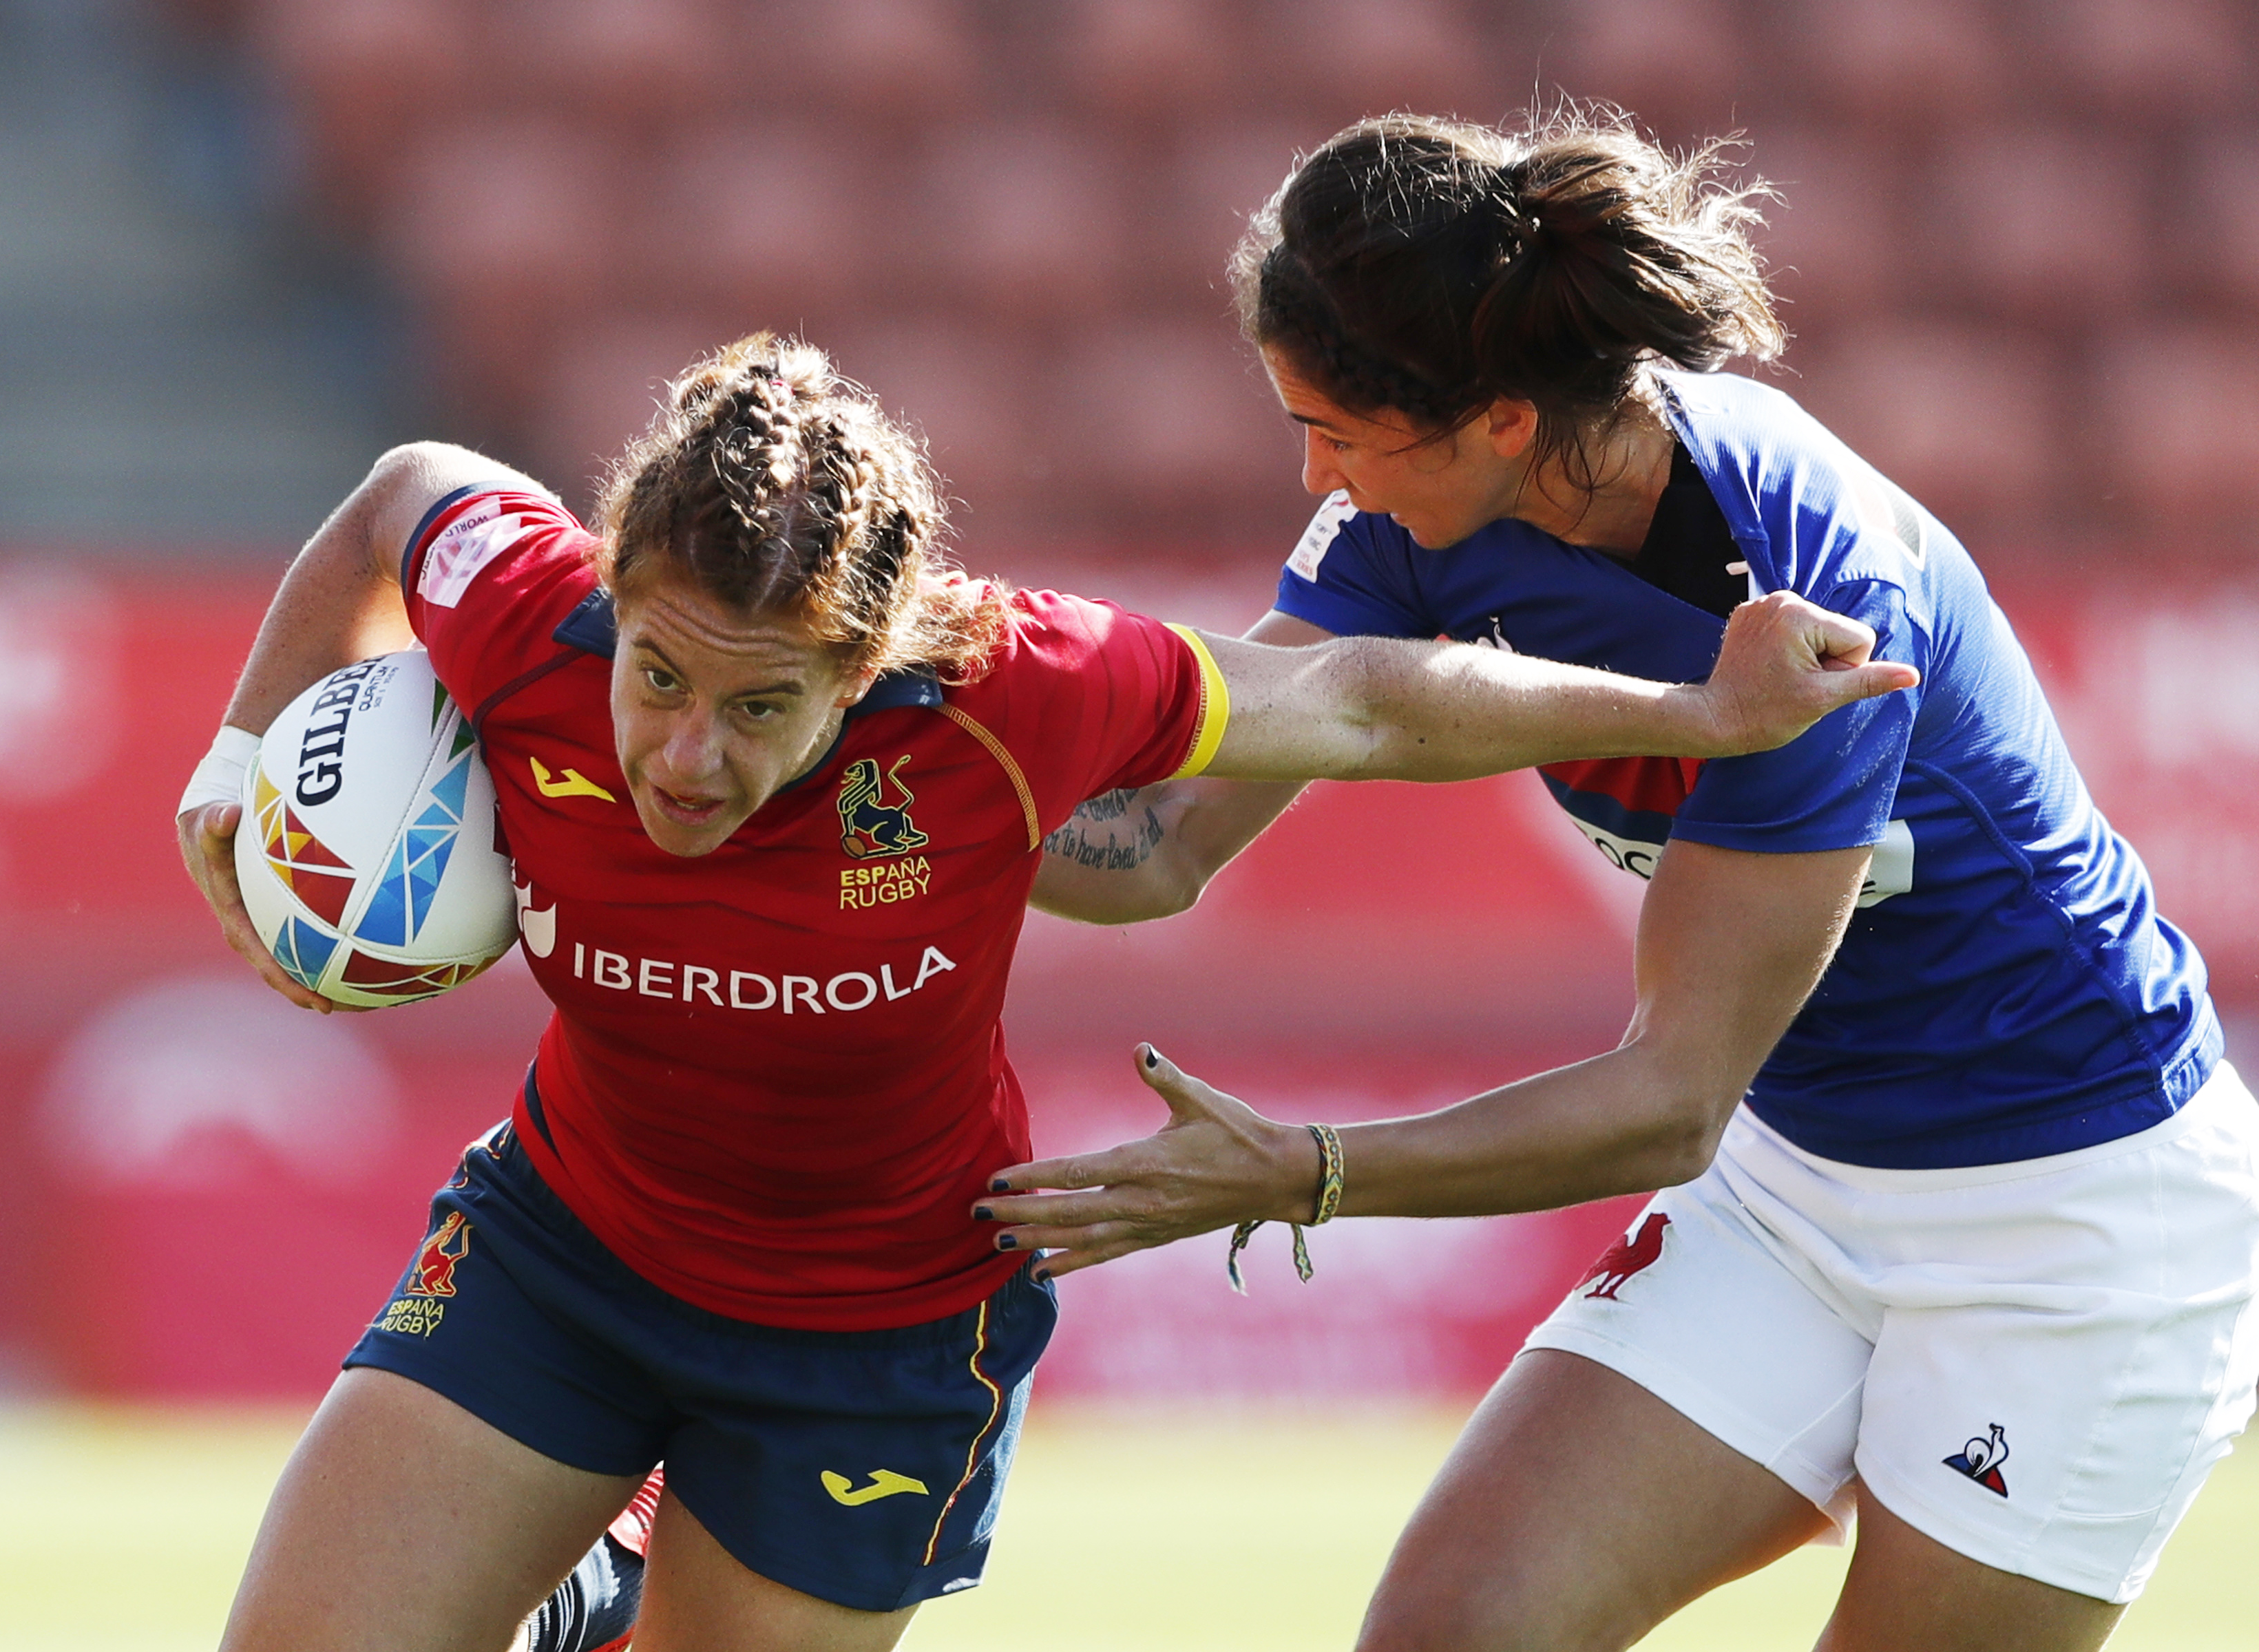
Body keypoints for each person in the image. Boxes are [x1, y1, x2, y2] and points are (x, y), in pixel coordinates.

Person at [174, 332, 1905, 1652]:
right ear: (613, 598)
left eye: (763, 706)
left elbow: (1369, 702)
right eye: (658, 674)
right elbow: (405, 492)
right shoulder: (528, 616)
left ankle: (608, 1597)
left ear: (870, 666)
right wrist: (234, 763)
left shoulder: (1017, 684)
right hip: (567, 1253)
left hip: (871, 1342)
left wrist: (1699, 719)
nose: (685, 755)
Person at [989, 112, 2259, 1652]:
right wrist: (900, 820)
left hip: (2073, 1221)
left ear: (1505, 421)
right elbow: (1166, 845)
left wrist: (1305, 1167)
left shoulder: (1809, 597)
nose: (1311, 469)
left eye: (1336, 428)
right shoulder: (1407, 529)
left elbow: (1670, 1100)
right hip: (1801, 1192)